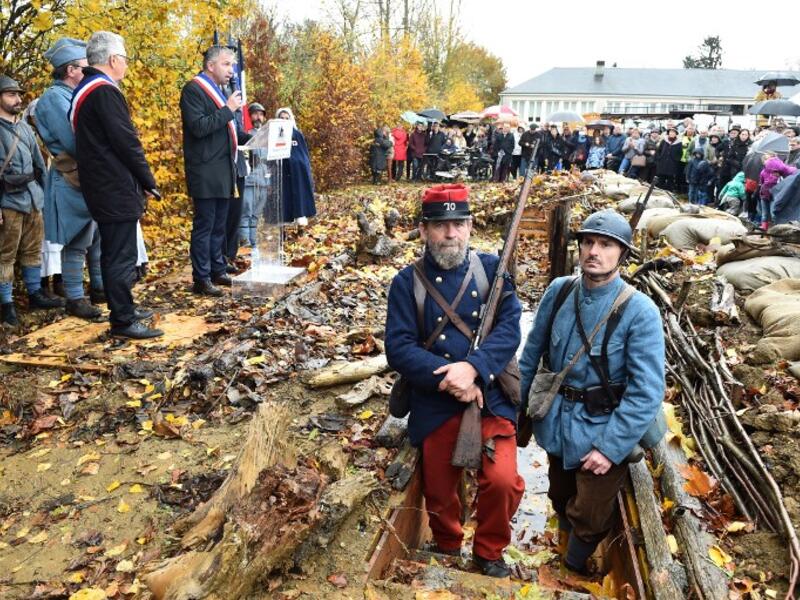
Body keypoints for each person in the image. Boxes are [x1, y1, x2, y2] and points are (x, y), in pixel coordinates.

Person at [385, 183, 523, 578]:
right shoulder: (405, 283)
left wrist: (475, 367)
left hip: (490, 395)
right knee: (440, 489)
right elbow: (399, 347)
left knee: (502, 482)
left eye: (458, 224)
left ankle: (489, 551)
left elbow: (510, 329)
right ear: (424, 230)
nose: (451, 234)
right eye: (441, 224)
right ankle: (447, 545)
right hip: (436, 399)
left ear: (471, 226)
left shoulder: (491, 271)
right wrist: (451, 378)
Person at [518, 209, 665, 575]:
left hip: (604, 426)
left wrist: (609, 448)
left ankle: (572, 567)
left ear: (622, 254)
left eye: (605, 244)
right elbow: (531, 355)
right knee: (559, 494)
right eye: (588, 242)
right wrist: (515, 412)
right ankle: (564, 545)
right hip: (556, 419)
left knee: (592, 511)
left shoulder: (640, 310)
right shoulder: (560, 290)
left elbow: (646, 391)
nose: (594, 251)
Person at [71, 31, 162, 338]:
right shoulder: (104, 91)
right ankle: (122, 321)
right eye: (124, 59)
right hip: (114, 187)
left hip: (103, 185)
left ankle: (124, 308)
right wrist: (148, 181)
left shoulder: (86, 89)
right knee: (120, 255)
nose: (126, 65)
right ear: (113, 60)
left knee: (115, 252)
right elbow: (127, 143)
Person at [35, 37, 106, 320]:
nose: (88, 72)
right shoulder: (54, 98)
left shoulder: (72, 94)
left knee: (97, 236)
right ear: (70, 70)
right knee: (77, 239)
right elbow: (75, 141)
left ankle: (100, 289)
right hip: (72, 177)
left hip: (87, 174)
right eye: (85, 67)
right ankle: (75, 298)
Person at [0, 75, 65, 326]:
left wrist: (46, 196)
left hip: (33, 198)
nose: (18, 100)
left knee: (31, 250)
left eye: (18, 95)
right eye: (11, 95)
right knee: (6, 255)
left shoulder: (25, 128)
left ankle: (35, 293)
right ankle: (6, 305)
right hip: (8, 201)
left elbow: (40, 165)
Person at [759, 156, 797, 230]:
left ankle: (776, 229)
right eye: (765, 160)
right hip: (764, 196)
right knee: (765, 214)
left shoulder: (783, 175)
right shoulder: (763, 172)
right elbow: (761, 182)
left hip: (774, 197)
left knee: (773, 213)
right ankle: (764, 229)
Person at [655, 127, 682, 191]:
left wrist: (675, 160)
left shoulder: (679, 143)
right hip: (662, 163)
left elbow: (680, 153)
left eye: (673, 132)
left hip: (672, 165)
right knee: (661, 179)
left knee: (670, 180)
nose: (672, 133)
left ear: (676, 134)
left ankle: (669, 192)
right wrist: (659, 158)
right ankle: (659, 192)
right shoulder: (664, 140)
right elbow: (659, 150)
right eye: (670, 132)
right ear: (668, 133)